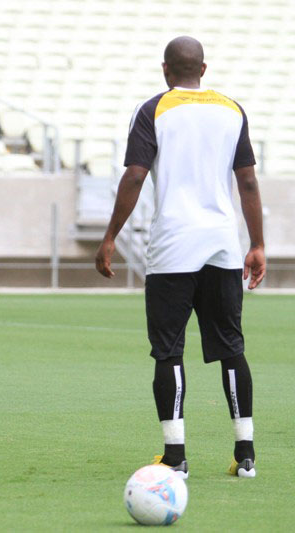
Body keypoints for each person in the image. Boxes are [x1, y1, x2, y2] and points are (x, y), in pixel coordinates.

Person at [95, 36, 265, 478]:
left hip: (173, 247)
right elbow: (247, 181)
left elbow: (135, 175)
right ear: (203, 69)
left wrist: (110, 235)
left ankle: (176, 457)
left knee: (168, 352)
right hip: (223, 245)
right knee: (232, 349)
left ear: (166, 70)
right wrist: (258, 243)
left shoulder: (154, 109)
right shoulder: (232, 110)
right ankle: (245, 454)